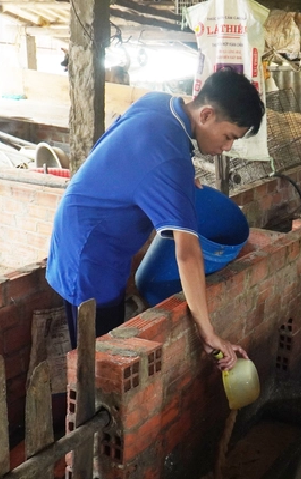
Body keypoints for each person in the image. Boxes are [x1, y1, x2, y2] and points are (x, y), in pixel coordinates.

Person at [46, 70, 265, 371]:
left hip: (87, 227)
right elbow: (187, 253)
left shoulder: (161, 104)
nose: (227, 148)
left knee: (102, 340)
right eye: (229, 137)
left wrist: (182, 176)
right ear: (206, 114)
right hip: (90, 252)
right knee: (99, 361)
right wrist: (208, 332)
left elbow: (132, 153)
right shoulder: (169, 160)